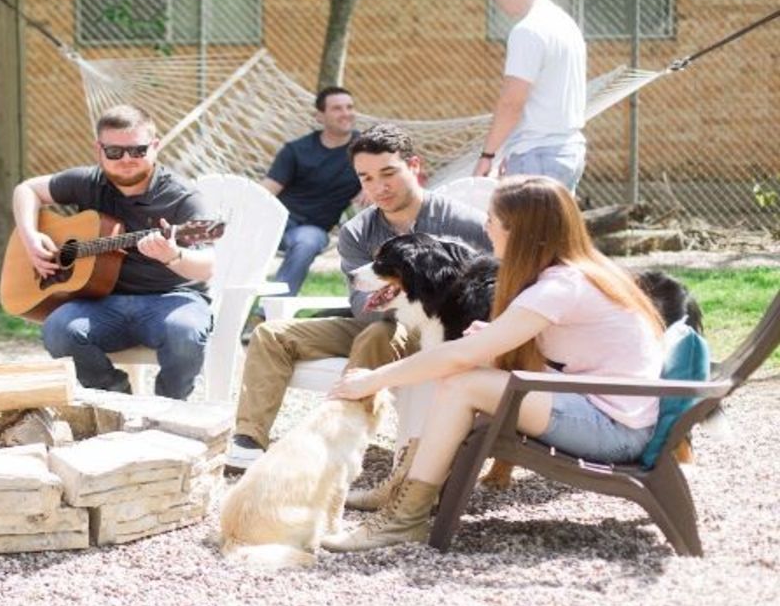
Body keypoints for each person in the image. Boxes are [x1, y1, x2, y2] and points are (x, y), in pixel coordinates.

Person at [322, 175, 665, 552]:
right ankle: (404, 497)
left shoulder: (559, 286)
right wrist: (494, 335)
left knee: (461, 382)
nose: (485, 227)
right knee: (467, 374)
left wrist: (372, 380)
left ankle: (404, 518)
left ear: (520, 230)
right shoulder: (577, 272)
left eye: (492, 220)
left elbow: (458, 356)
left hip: (613, 430)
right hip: (609, 412)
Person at [227, 124, 492, 484]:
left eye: (388, 173)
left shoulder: (466, 224)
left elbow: (498, 283)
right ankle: (248, 442)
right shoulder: (357, 232)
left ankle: (336, 446)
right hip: (384, 322)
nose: (378, 187)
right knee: (272, 335)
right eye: (366, 178)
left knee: (375, 336)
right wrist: (392, 293)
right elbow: (360, 305)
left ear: (414, 166)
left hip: (444, 333)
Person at [13, 104, 215, 399]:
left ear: (155, 146)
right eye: (114, 152)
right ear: (99, 149)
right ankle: (116, 399)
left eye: (138, 150)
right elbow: (26, 189)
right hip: (100, 302)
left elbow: (207, 265)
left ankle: (169, 410)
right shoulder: (87, 183)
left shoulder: (182, 197)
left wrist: (173, 256)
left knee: (184, 333)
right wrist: (30, 237)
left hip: (171, 299)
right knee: (58, 329)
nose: (126, 159)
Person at [474, 0, 589, 192]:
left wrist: (488, 155)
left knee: (518, 220)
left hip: (538, 156)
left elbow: (512, 102)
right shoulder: (564, 23)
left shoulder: (528, 31)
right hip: (568, 151)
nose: (496, 1)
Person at [262, 86, 363, 302]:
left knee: (306, 242)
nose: (346, 113)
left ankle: (270, 310)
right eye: (337, 108)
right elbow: (266, 192)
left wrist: (370, 185)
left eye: (349, 107)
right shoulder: (297, 150)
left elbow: (400, 169)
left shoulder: (365, 150)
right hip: (278, 222)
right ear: (320, 116)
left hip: (313, 229)